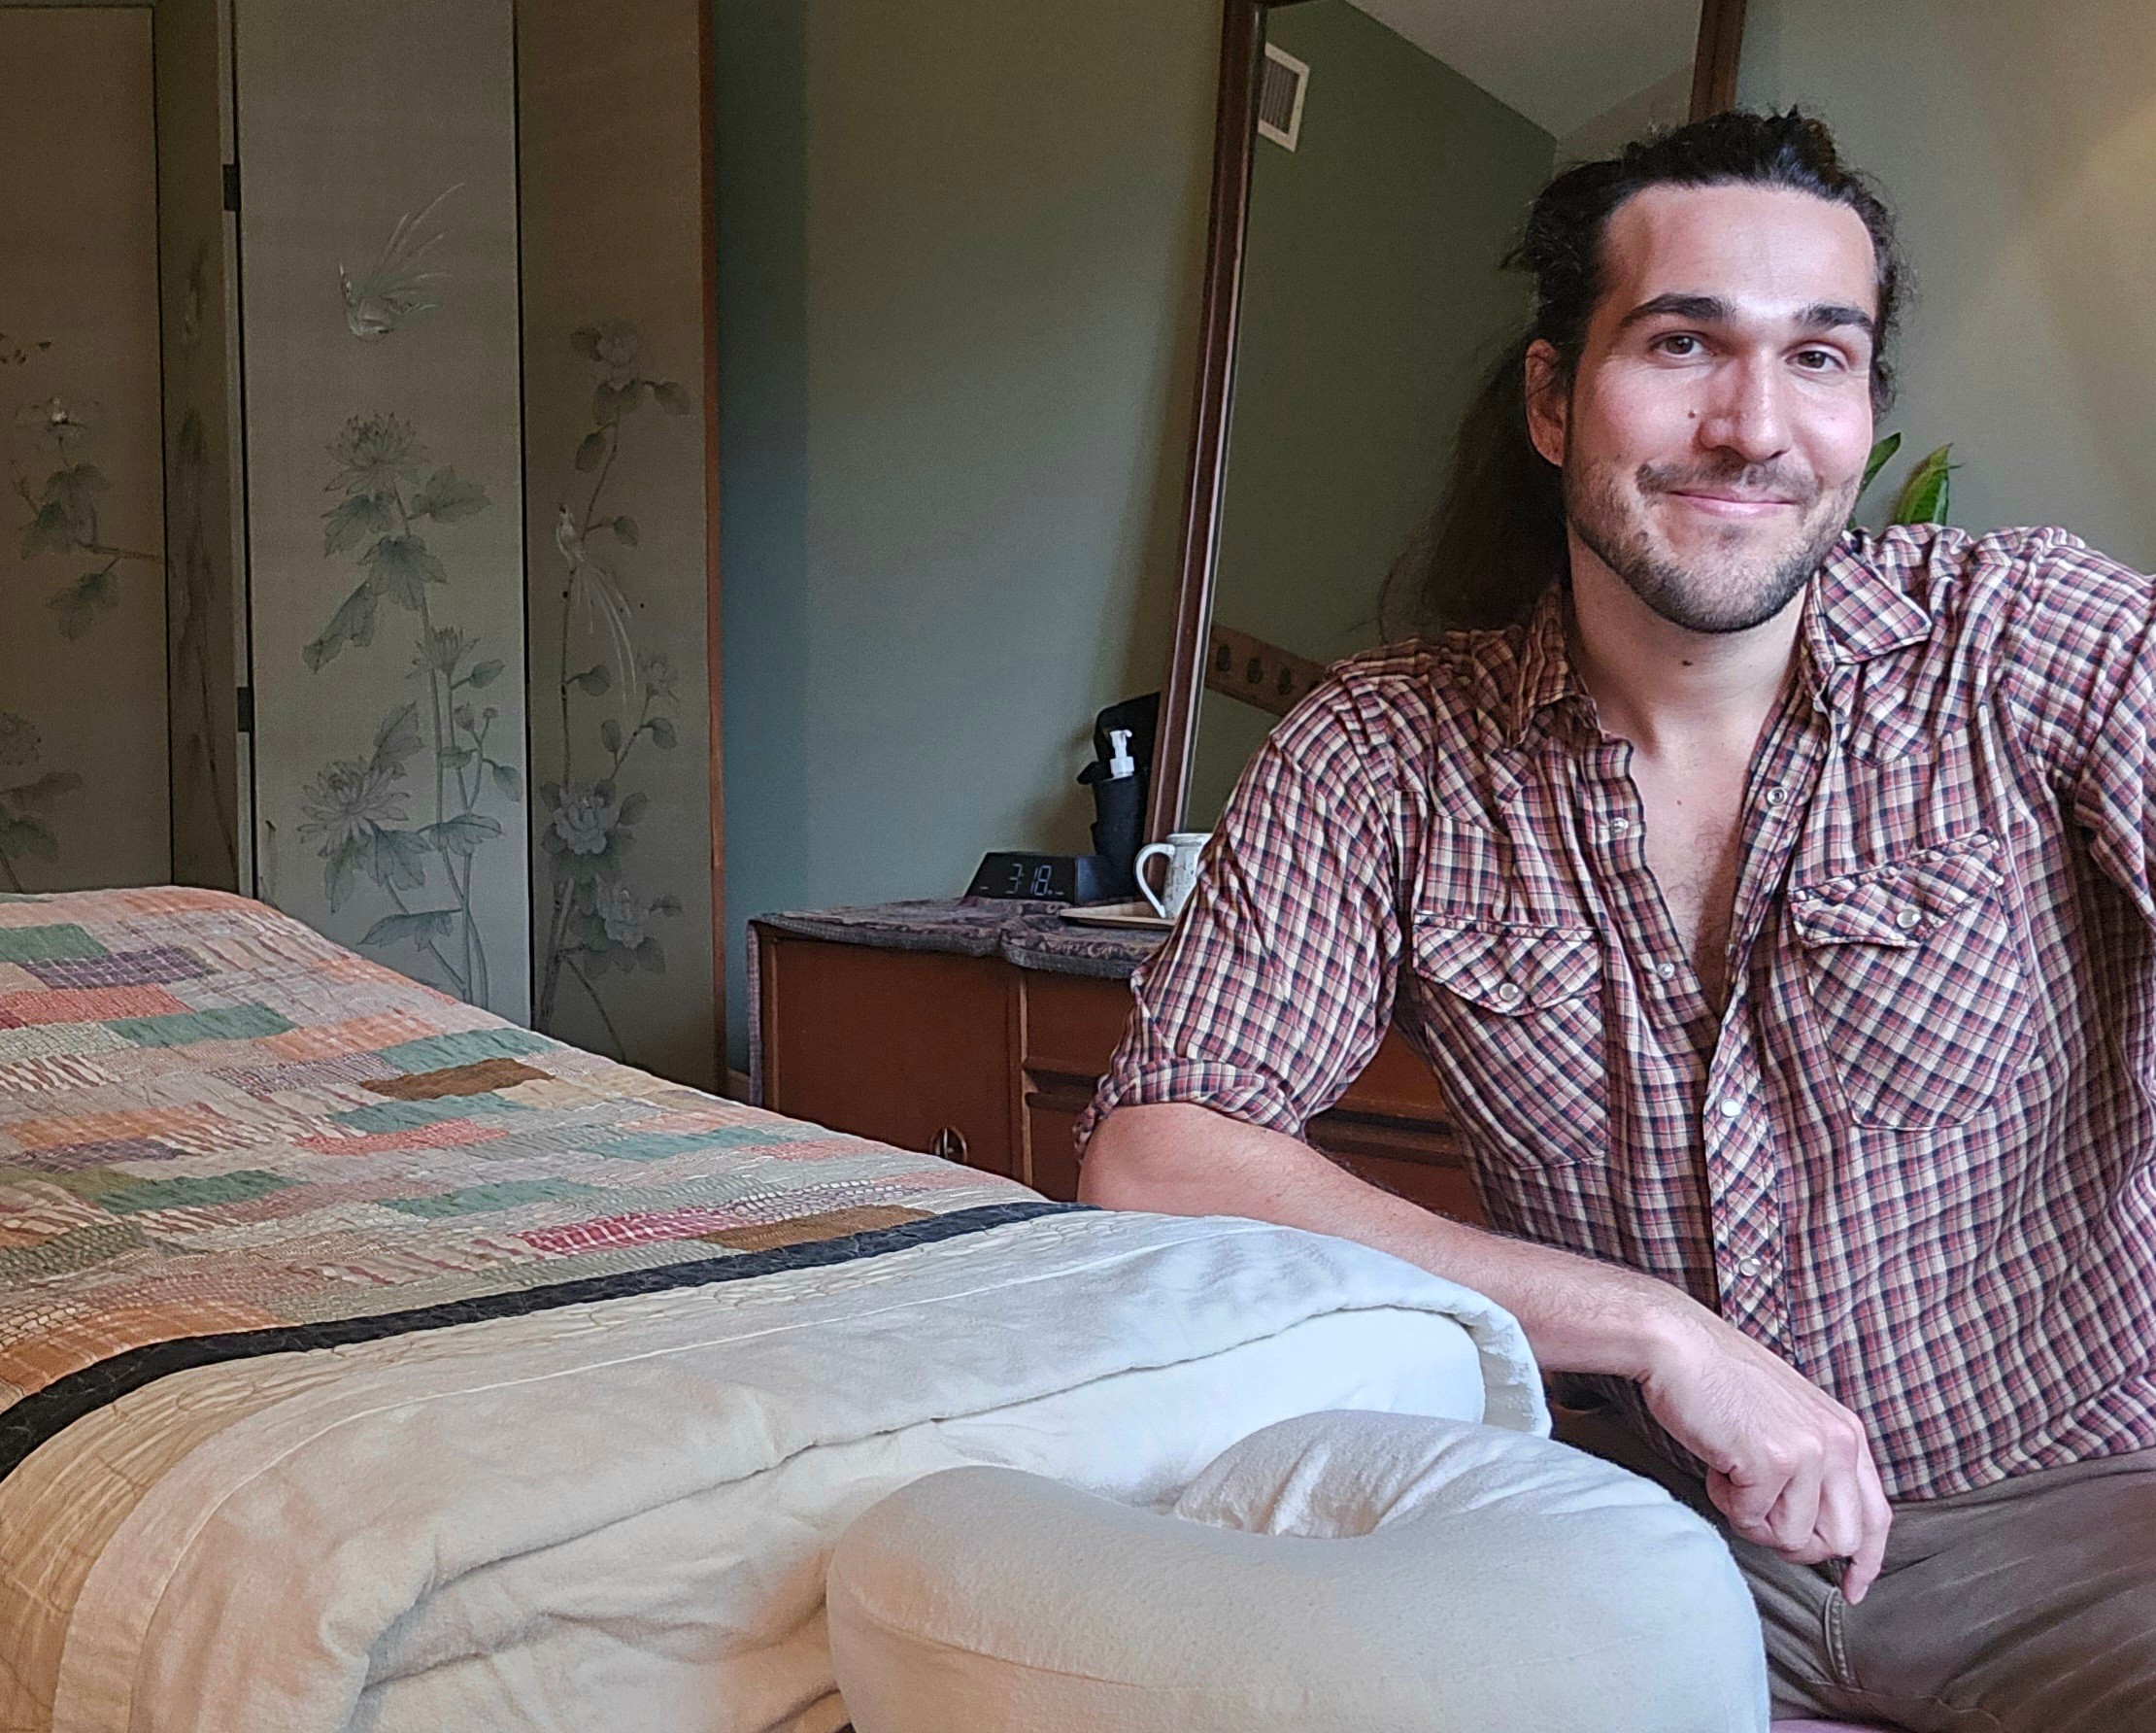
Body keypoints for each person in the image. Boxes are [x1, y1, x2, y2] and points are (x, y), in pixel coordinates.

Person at [1077, 109, 2156, 1731]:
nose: (1752, 426)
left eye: (1818, 357)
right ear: (1551, 397)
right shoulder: (1388, 752)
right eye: (1683, 343)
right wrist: (1660, 1336)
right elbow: (1154, 1156)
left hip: (2093, 1528)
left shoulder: (2025, 644)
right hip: (1655, 1543)